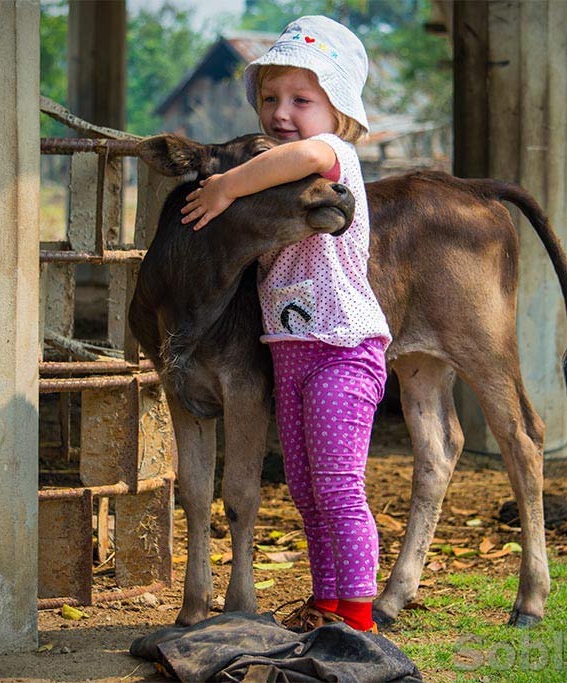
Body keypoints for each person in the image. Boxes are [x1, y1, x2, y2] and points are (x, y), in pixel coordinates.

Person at [180, 15, 390, 633]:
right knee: (304, 486)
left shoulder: (333, 158)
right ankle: (327, 603)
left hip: (343, 349)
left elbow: (305, 151)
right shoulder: (280, 182)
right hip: (291, 352)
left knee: (338, 483)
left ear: (339, 110)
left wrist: (223, 187)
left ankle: (357, 615)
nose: (281, 112)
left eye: (302, 99)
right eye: (270, 98)